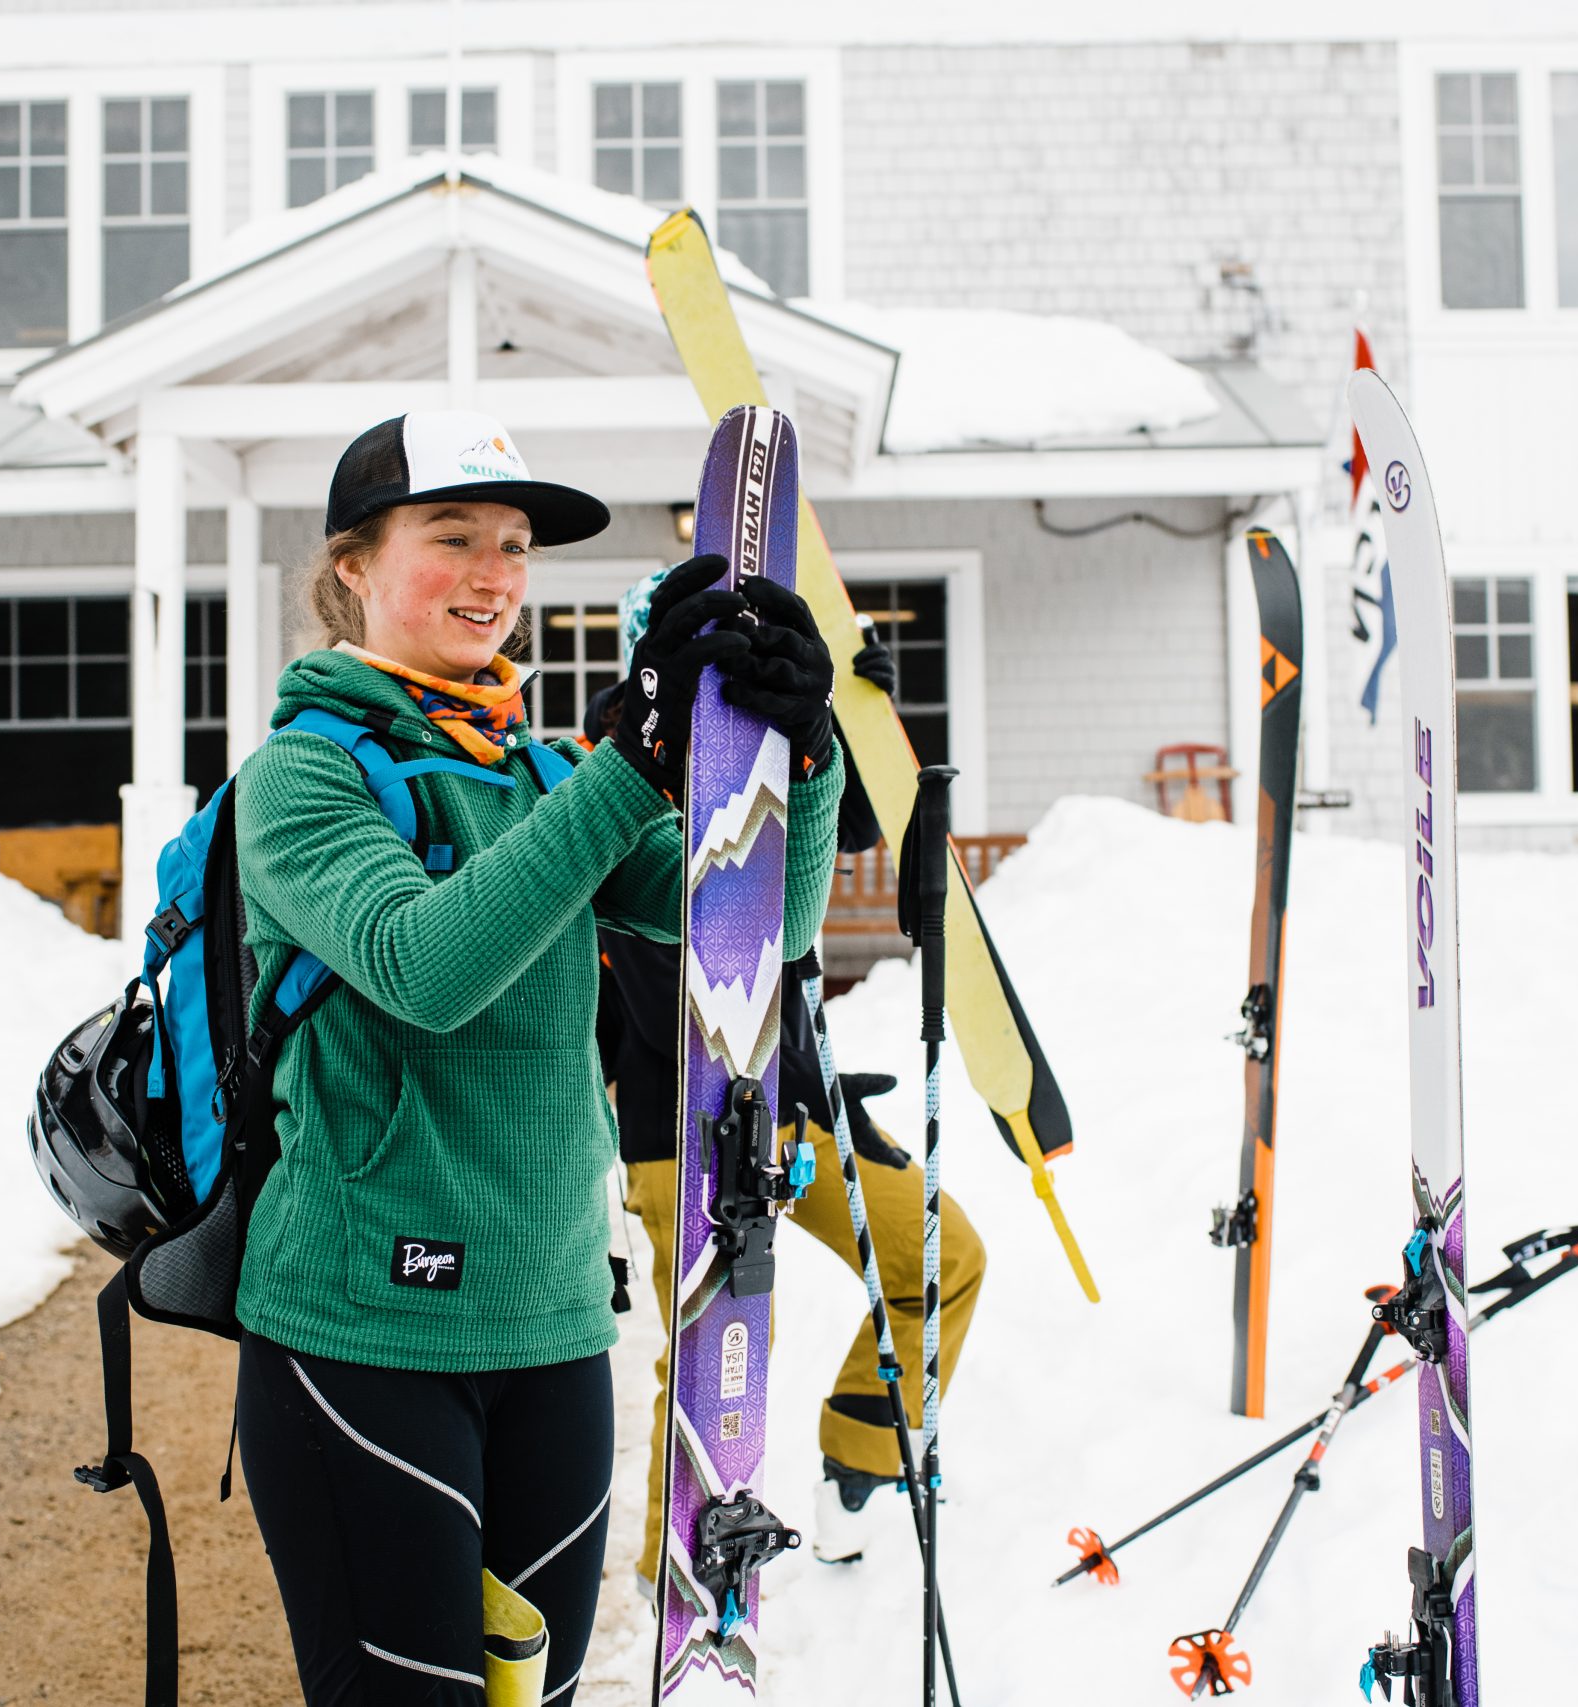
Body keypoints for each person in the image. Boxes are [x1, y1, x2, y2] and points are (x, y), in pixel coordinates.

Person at [228, 411, 844, 1707]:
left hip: (554, 1321)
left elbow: (755, 927)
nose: (493, 572)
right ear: (354, 565)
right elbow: (426, 968)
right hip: (362, 1335)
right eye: (451, 536)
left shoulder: (546, 774)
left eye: (512, 545)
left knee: (540, 1698)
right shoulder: (300, 777)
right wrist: (631, 759)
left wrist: (805, 750)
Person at [589, 587, 987, 1592]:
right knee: (709, 1353)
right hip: (673, 1116)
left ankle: (856, 1469)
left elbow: (836, 835)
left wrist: (843, 716)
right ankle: (668, 1574)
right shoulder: (620, 759)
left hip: (786, 1101)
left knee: (937, 1257)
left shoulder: (774, 739)